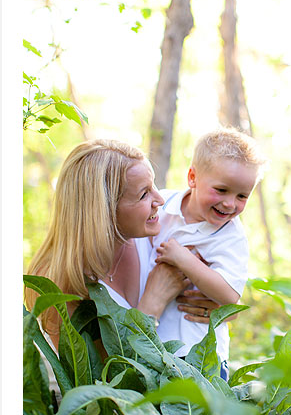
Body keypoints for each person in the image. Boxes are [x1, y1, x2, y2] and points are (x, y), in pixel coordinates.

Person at [25, 140, 214, 351]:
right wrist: (153, 303)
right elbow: (99, 377)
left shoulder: (158, 233)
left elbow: (223, 281)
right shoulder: (57, 282)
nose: (159, 200)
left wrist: (215, 307)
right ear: (103, 210)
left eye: (154, 187)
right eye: (144, 194)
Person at [151, 128, 265, 377]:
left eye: (242, 196)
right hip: (154, 345)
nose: (230, 204)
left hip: (199, 356)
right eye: (222, 190)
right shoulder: (161, 206)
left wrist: (184, 260)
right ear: (192, 177)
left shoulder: (231, 237)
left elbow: (229, 297)